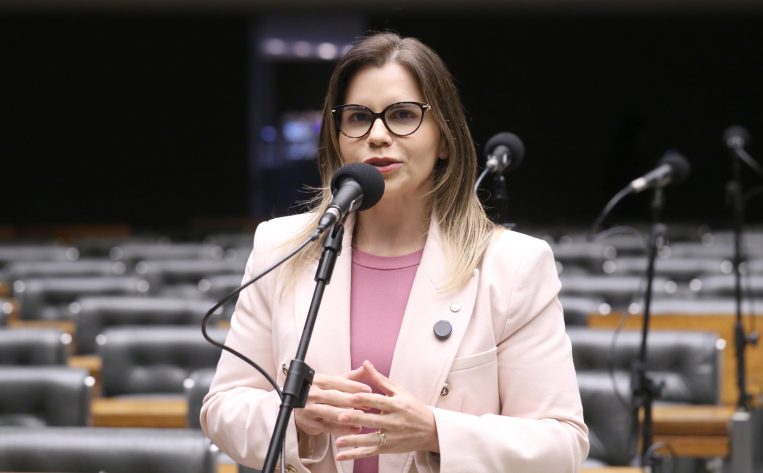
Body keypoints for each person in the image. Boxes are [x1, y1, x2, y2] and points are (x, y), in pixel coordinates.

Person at [200, 32, 589, 473]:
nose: (378, 135)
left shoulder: (513, 265)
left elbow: (561, 445)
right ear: (337, 136)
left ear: (445, 138)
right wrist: (293, 417)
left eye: (403, 115)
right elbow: (222, 409)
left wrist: (436, 431)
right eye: (358, 117)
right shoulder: (282, 248)